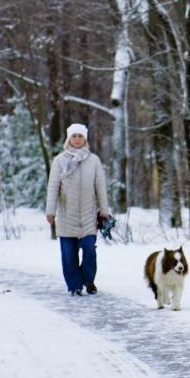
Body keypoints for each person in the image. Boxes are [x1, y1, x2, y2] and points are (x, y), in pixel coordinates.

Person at [46, 123, 111, 296]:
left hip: (88, 216)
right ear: (69, 138)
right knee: (69, 255)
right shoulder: (60, 160)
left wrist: (104, 210)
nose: (77, 139)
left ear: (85, 139)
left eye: (80, 136)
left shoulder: (93, 160)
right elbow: (53, 186)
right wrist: (50, 211)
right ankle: (75, 285)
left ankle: (88, 279)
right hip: (66, 215)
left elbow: (100, 187)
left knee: (89, 249)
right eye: (74, 136)